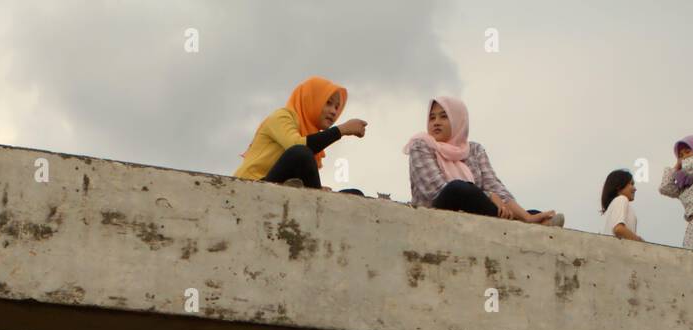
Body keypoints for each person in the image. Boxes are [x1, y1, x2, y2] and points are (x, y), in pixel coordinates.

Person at [405, 96, 561, 226]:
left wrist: (526, 215)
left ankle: (528, 219)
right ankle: (522, 222)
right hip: (436, 211)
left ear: (458, 120)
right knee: (457, 188)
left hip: (478, 210)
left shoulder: (474, 150)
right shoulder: (421, 145)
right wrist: (488, 196)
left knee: (528, 212)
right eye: (432, 118)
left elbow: (495, 187)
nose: (436, 122)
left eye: (444, 116)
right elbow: (435, 189)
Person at [234, 76, 367, 189]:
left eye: (337, 107)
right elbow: (297, 146)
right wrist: (342, 130)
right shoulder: (282, 116)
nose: (334, 111)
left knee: (354, 194)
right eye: (328, 103)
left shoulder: (309, 134)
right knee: (300, 153)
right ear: (310, 99)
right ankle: (316, 199)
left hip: (276, 187)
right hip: (250, 186)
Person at [600, 169, 643, 241]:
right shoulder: (621, 199)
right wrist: (641, 242)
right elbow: (618, 229)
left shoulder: (612, 206)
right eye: (631, 184)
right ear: (619, 186)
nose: (635, 189)